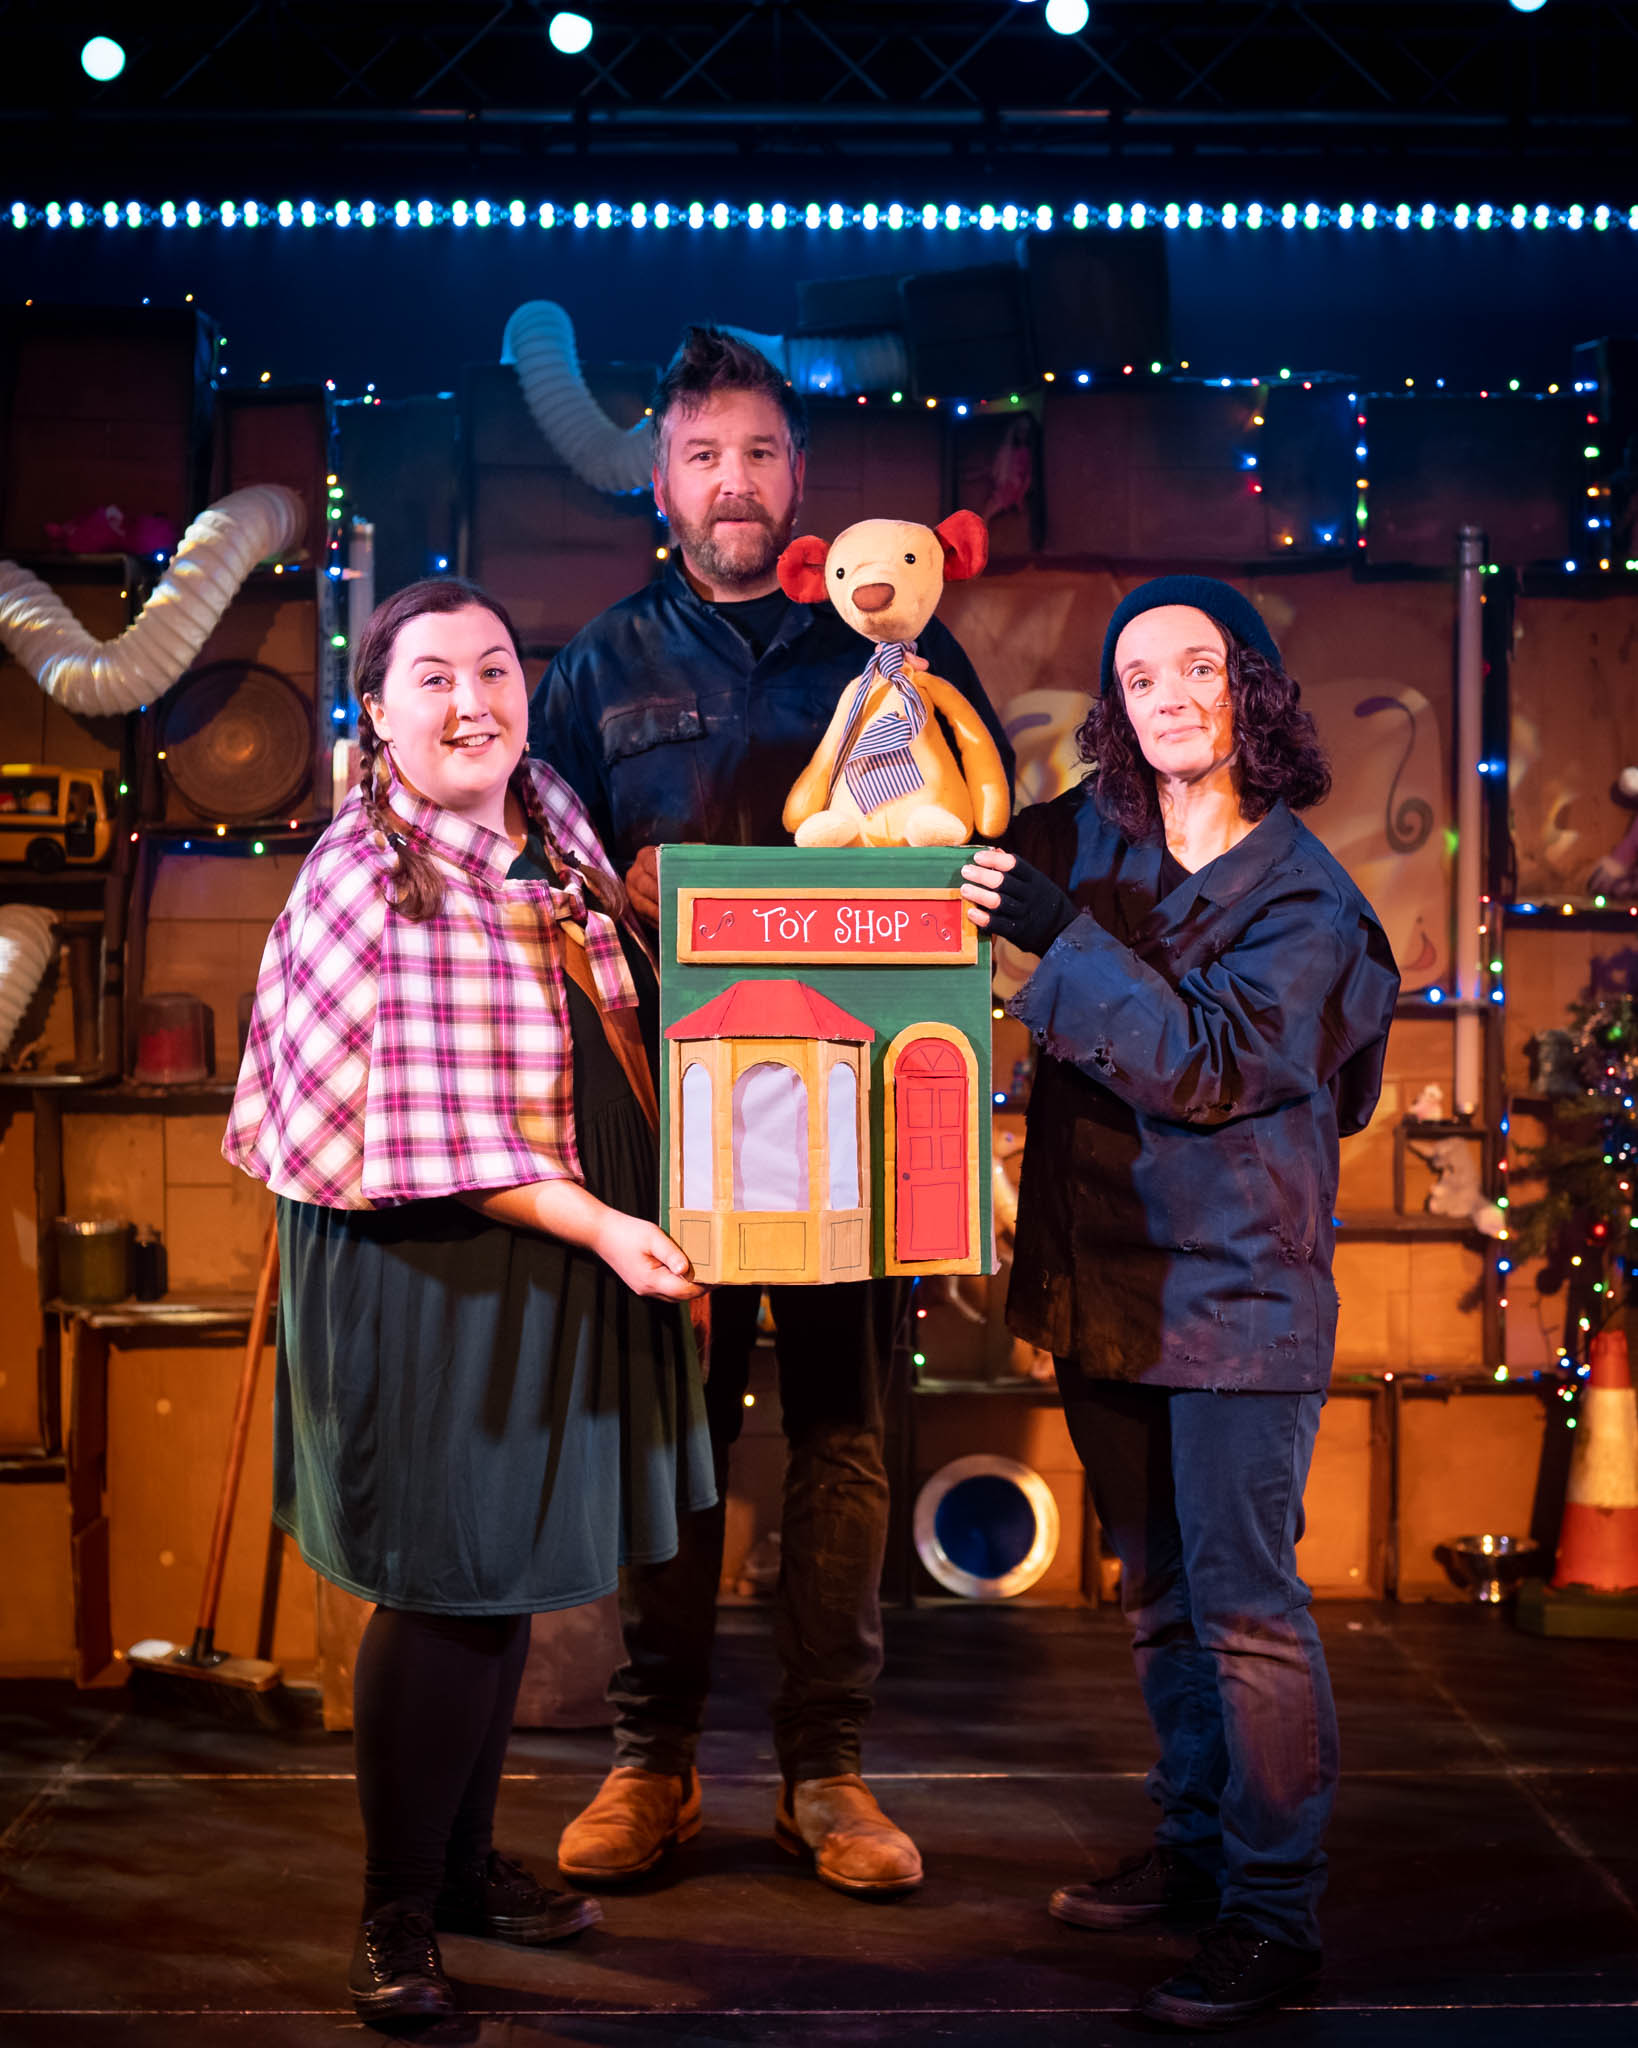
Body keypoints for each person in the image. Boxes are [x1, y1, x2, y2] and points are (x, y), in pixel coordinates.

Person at [531, 327, 1013, 1900]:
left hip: (858, 1130)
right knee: (666, 1436)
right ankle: (650, 1764)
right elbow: (529, 886)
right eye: (699, 455)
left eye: (756, 453)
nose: (729, 483)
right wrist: (624, 885)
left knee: (844, 1441)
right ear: (659, 479)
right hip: (668, 1131)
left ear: (800, 478)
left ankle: (829, 1772)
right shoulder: (599, 663)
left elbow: (985, 851)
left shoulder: (893, 650)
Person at [225, 577, 714, 2021]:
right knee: (443, 1586)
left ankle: (455, 1862)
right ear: (377, 715)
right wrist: (601, 1225)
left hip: (547, 1252)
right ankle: (393, 1915)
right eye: (430, 678)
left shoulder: (548, 819)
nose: (470, 702)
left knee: (496, 1582)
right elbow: (409, 1129)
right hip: (428, 1258)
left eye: (492, 668)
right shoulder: (368, 872)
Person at [961, 575, 1398, 2030]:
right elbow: (929, 844)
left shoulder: (1308, 906)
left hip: (1236, 1305)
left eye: (1196, 666)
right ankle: (1198, 1847)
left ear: (1251, 689)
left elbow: (1212, 1061)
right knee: (1156, 1604)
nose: (1167, 695)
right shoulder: (1090, 835)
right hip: (1107, 1293)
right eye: (1138, 674)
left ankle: (1272, 1920)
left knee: (1247, 1615)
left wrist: (1048, 935)